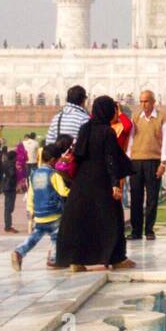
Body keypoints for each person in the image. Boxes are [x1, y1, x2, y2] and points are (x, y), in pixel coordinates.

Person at [54, 96, 136, 272]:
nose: (115, 113)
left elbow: (80, 154)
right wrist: (115, 183)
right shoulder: (107, 132)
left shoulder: (85, 128)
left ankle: (76, 261)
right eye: (113, 110)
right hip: (101, 182)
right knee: (111, 220)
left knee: (81, 221)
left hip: (82, 183)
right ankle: (116, 258)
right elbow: (111, 159)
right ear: (106, 111)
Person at [11, 143, 70, 270]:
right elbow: (63, 191)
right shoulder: (53, 175)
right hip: (53, 213)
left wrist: (31, 210)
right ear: (53, 160)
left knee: (34, 237)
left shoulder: (34, 174)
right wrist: (75, 191)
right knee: (56, 237)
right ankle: (54, 260)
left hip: (39, 214)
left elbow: (31, 193)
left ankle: (19, 252)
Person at [129, 90, 166, 242]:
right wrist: (128, 160)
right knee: (135, 198)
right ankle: (136, 230)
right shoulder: (135, 118)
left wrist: (163, 163)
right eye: (141, 101)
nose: (143, 104)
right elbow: (130, 141)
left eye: (146, 101)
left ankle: (149, 230)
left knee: (152, 198)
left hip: (153, 161)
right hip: (136, 161)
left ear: (153, 102)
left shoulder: (162, 118)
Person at [0, 138, 19, 232]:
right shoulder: (11, 165)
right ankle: (8, 226)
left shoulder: (5, 163)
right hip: (10, 187)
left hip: (5, 186)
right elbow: (12, 174)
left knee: (8, 207)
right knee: (9, 207)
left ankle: (8, 225)